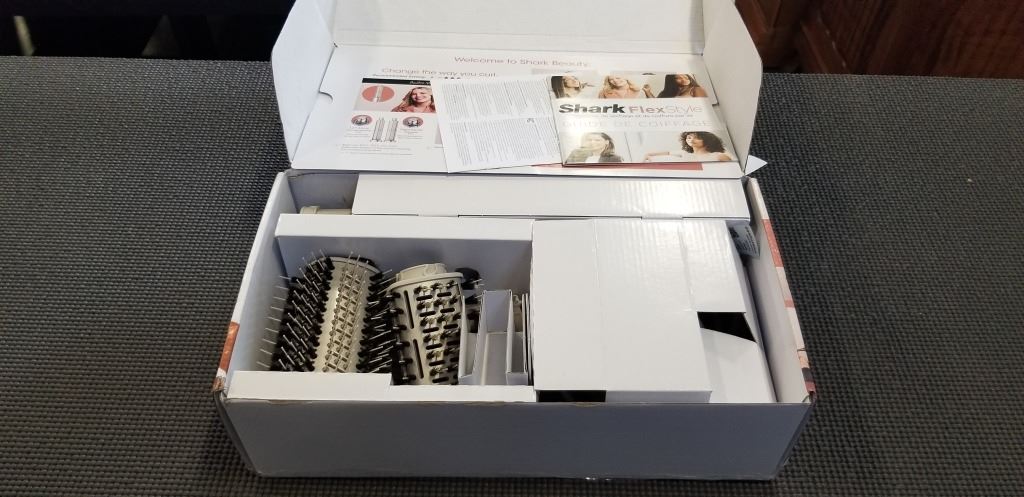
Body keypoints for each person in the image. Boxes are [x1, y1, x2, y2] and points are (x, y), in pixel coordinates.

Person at [643, 131, 733, 162]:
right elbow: (667, 153)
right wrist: (647, 156)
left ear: (708, 141)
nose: (692, 140)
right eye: (689, 137)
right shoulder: (685, 154)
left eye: (697, 138)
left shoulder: (718, 156)